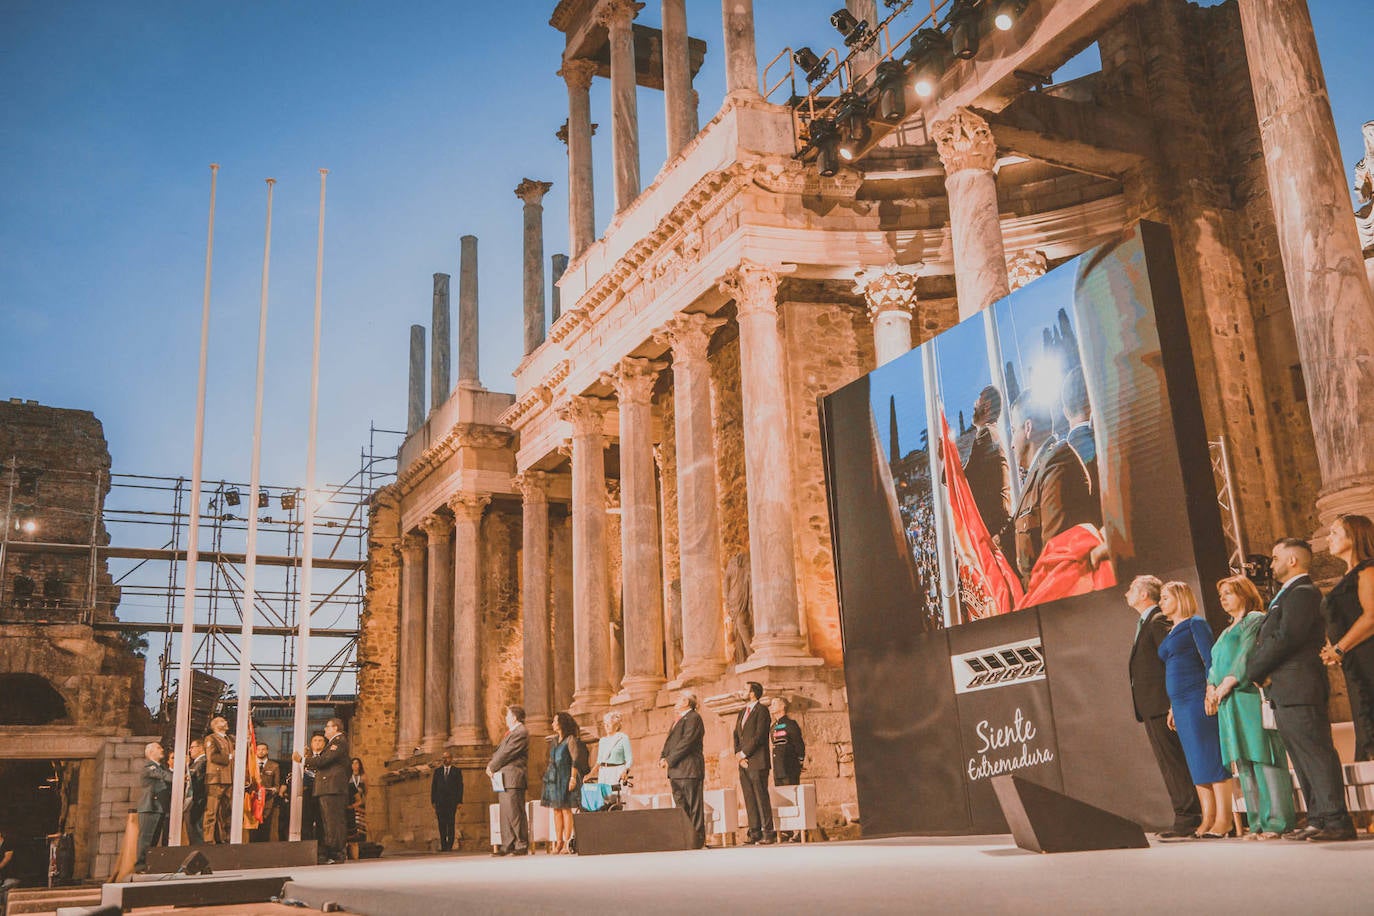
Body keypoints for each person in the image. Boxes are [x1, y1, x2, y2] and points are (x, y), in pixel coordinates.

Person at [1245, 538, 1357, 842]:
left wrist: (1254, 670)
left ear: (1292, 560)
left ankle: (1336, 819)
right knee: (1301, 754)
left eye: (1276, 556)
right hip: (1285, 688)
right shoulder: (1288, 594)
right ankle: (1318, 817)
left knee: (1316, 753)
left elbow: (1286, 637)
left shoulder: (1303, 592)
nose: (1271, 563)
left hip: (1299, 685)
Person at [1205, 575, 1295, 839]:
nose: (1223, 598)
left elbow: (1246, 654)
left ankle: (1276, 821)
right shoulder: (1224, 631)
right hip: (1227, 702)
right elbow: (1213, 663)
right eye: (1221, 594)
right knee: (1243, 760)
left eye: (1229, 593)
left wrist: (1226, 684)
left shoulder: (1254, 619)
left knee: (1262, 755)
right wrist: (1210, 687)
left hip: (1245, 695)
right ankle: (1256, 822)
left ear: (1244, 594)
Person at [1125, 575, 1202, 838]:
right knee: (1170, 763)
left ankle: (1188, 819)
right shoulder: (1145, 621)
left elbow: (1172, 661)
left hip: (1163, 704)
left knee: (1175, 763)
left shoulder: (1157, 620)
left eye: (1131, 589)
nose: (1127, 593)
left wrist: (1172, 703)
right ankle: (1186, 816)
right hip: (1153, 705)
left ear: (1145, 594)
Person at [1157, 580, 1233, 837]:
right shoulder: (1170, 631)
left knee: (1210, 755)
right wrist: (1170, 707)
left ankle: (1224, 819)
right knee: (1195, 760)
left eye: (1165, 597)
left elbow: (1210, 658)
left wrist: (1210, 689)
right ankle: (1207, 818)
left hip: (1196, 697)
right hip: (1178, 703)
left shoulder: (1195, 624)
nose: (1161, 602)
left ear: (1180, 598)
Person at [1000, 392, 1096, 581]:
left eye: (1013, 431)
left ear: (1028, 428)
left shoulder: (1057, 463)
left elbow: (1056, 559)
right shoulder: (1040, 471)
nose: (1011, 444)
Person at [1319, 514, 1374, 760]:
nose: (1328, 538)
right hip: (1356, 661)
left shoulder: (1368, 570)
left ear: (1353, 537)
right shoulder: (1349, 575)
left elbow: (1371, 616)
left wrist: (1339, 647)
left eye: (1335, 533)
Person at [294, 718, 350, 863]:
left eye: (327, 727)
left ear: (335, 728)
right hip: (328, 788)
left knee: (334, 822)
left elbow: (324, 760)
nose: (325, 729)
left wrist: (303, 760)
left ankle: (338, 852)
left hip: (332, 788)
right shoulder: (335, 743)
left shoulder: (338, 742)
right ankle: (334, 851)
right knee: (328, 822)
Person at [659, 691, 706, 849]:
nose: (676, 701)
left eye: (679, 699)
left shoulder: (693, 718)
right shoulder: (677, 719)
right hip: (676, 771)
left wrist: (670, 760)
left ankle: (697, 840)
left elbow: (687, 742)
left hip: (689, 769)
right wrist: (662, 756)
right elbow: (670, 742)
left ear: (686, 701)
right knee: (681, 807)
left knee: (694, 806)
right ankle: (685, 838)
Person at [963, 385, 1010, 539]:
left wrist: (945, 459)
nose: (974, 404)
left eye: (978, 399)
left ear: (987, 405)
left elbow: (965, 481)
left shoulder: (986, 434)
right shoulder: (994, 433)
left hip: (993, 534)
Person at [734, 681, 775, 845]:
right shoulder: (742, 711)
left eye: (745, 689)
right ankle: (754, 832)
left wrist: (745, 753)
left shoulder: (762, 710)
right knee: (749, 797)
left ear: (753, 693)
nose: (742, 691)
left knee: (761, 796)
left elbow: (759, 736)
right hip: (743, 761)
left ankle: (768, 832)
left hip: (757, 760)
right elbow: (736, 735)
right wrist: (738, 755)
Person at [486, 705, 530, 856]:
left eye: (508, 715)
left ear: (515, 717)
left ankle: (521, 844)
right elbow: (500, 751)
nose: (505, 718)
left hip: (513, 777)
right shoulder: (511, 733)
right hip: (503, 777)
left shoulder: (521, 732)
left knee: (515, 812)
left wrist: (492, 766)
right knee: (505, 813)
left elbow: (507, 753)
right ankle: (507, 844)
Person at [542, 712, 583, 855]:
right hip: (554, 778)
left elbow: (575, 760)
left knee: (566, 809)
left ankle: (567, 842)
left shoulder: (570, 739)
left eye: (555, 721)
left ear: (561, 723)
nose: (552, 724)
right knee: (556, 810)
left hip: (566, 776)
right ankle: (558, 842)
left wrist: (572, 778)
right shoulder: (554, 740)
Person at [768, 697, 806, 843]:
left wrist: (800, 762)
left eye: (774, 703)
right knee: (782, 798)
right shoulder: (773, 726)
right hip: (778, 767)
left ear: (783, 706)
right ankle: (787, 830)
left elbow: (798, 744)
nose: (771, 706)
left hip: (789, 766)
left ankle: (798, 831)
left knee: (793, 797)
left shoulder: (790, 724)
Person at [135, 741, 173, 871]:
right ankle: (140, 866)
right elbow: (166, 777)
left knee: (154, 839)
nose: (162, 749)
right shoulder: (149, 767)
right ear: (150, 752)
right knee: (146, 838)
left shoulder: (160, 767)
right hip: (150, 807)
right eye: (158, 747)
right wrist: (180, 777)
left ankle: (148, 865)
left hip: (159, 808)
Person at [202, 716, 234, 844]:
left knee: (225, 811)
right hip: (216, 779)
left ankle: (224, 838)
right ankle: (208, 838)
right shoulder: (211, 738)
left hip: (228, 778)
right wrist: (229, 757)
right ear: (215, 725)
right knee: (212, 810)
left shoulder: (229, 739)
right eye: (222, 721)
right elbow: (212, 756)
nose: (225, 722)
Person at [591, 711, 633, 790]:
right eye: (605, 723)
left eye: (609, 723)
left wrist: (625, 771)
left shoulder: (623, 738)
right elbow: (599, 761)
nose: (606, 726)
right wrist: (590, 774)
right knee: (603, 799)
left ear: (616, 726)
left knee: (616, 798)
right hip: (603, 773)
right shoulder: (602, 741)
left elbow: (629, 759)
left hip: (617, 772)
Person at [430, 752, 463, 852]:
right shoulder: (438, 771)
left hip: (451, 802)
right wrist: (433, 801)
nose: (445, 759)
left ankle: (450, 845)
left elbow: (460, 787)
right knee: (442, 824)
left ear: (451, 759)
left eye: (447, 758)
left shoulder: (456, 771)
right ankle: (444, 845)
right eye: (443, 758)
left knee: (451, 824)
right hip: (440, 802)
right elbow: (434, 787)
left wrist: (459, 801)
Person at [251, 743, 284, 842]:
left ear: (267, 751)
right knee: (253, 826)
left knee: (266, 825)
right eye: (258, 749)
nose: (261, 751)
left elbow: (277, 785)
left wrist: (273, 790)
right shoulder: (251, 765)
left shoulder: (274, 766)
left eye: (263, 749)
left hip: (268, 800)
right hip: (253, 799)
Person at [185, 739, 207, 845]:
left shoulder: (202, 762)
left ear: (201, 748)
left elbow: (195, 780)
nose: (190, 750)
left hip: (199, 800)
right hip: (196, 800)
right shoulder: (196, 763)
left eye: (192, 747)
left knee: (197, 829)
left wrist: (186, 768)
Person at [347, 758, 367, 857]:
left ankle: (361, 848)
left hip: (360, 803)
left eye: (357, 763)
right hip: (350, 805)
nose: (355, 765)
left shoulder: (363, 777)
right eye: (353, 763)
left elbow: (366, 790)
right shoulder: (349, 778)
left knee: (360, 828)